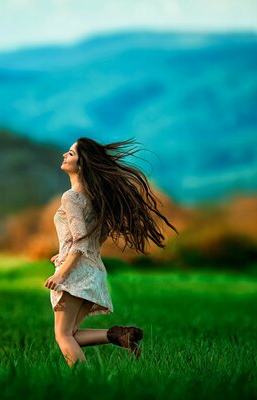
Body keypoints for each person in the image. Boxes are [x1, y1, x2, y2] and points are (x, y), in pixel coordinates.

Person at [44, 137, 179, 367]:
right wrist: (64, 253)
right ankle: (118, 335)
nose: (64, 155)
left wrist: (61, 274)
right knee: (72, 333)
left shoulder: (71, 197)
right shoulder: (96, 199)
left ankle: (83, 385)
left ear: (82, 164)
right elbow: (93, 239)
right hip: (92, 273)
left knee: (63, 336)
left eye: (71, 153)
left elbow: (81, 241)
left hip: (75, 275)